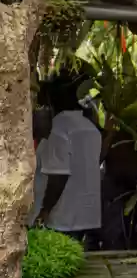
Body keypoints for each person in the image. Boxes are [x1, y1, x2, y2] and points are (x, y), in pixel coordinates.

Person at [34, 70, 103, 242]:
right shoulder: (90, 127)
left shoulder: (58, 129)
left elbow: (58, 176)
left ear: (52, 101)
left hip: (61, 217)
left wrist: (45, 210)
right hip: (87, 215)